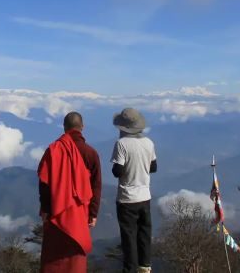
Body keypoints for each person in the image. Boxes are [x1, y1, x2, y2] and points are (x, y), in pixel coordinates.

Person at [38, 111, 102, 273]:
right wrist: (93, 214)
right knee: (75, 261)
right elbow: (96, 186)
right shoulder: (91, 153)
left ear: (65, 128)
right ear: (82, 127)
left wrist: (45, 210)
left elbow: (44, 183)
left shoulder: (53, 150)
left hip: (55, 213)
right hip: (80, 214)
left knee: (53, 259)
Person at [111, 108, 157, 273]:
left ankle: (130, 269)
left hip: (127, 198)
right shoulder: (149, 143)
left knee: (129, 236)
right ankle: (145, 267)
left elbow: (118, 171)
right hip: (145, 196)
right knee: (144, 233)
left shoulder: (122, 144)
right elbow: (154, 167)